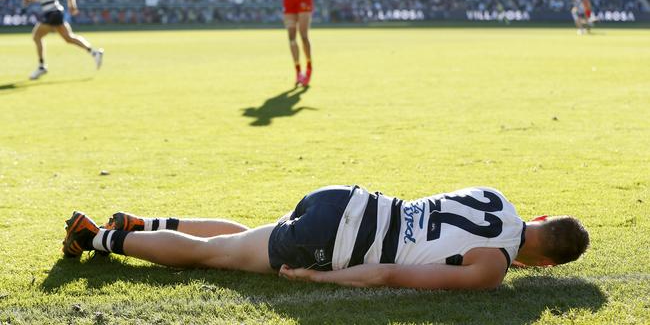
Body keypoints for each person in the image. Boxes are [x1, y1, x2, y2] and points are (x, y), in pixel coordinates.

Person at [62, 185, 589, 289]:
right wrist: (316, 276)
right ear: (542, 265)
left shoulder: (496, 197)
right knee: (214, 258)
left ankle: (139, 226)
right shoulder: (492, 268)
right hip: (340, 241)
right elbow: (389, 273)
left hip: (346, 199)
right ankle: (96, 239)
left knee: (245, 238)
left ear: (540, 218)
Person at [23, 0, 103, 80]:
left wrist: (72, 5)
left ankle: (41, 66)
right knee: (69, 38)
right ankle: (94, 52)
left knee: (36, 36)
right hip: (50, 13)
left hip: (53, 12)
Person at [268, 0, 332, 87]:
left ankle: (308, 67)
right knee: (291, 36)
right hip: (289, 0)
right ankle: (298, 71)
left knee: (303, 35)